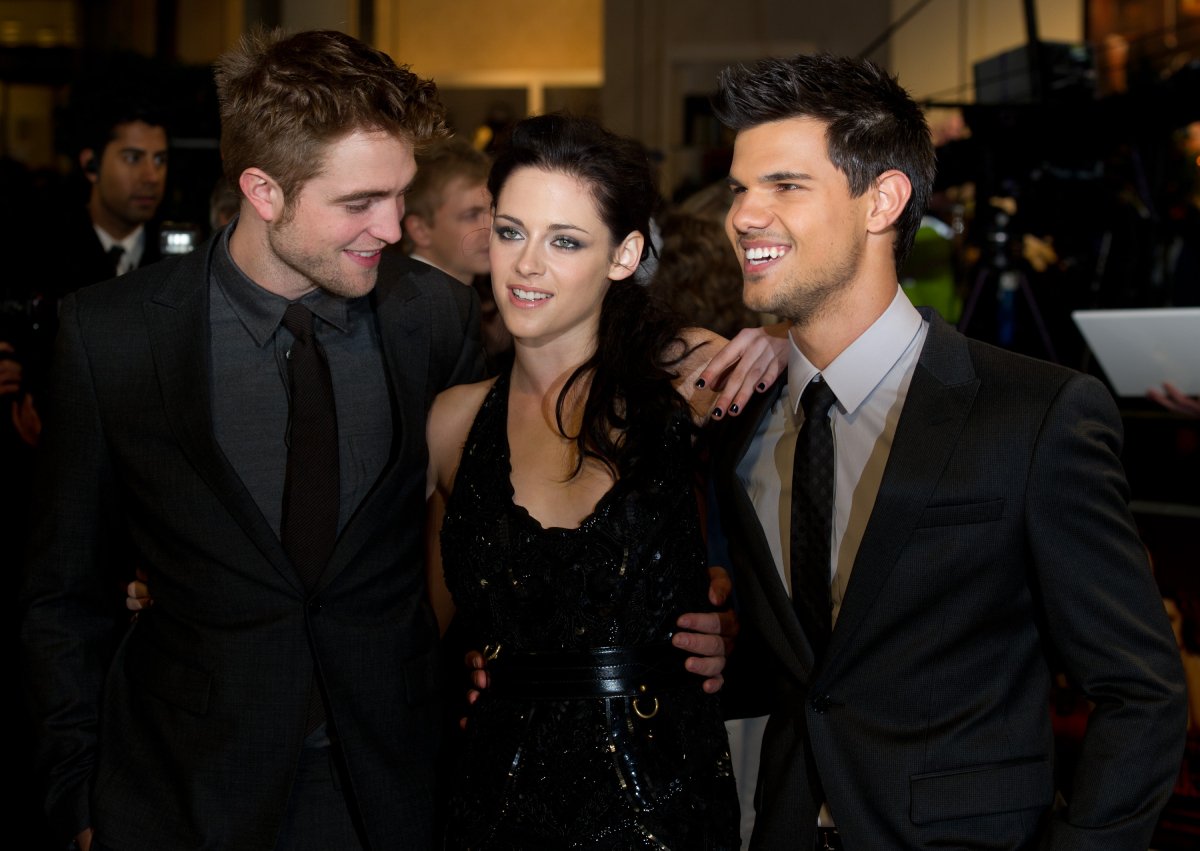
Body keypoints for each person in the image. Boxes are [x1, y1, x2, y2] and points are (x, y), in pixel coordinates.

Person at [699, 53, 1187, 850]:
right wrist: (725, 647)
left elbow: (1143, 692)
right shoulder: (744, 423)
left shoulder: (1036, 415)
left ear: (882, 201)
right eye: (739, 190)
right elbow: (827, 671)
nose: (744, 215)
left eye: (785, 186)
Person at [20, 28, 482, 851]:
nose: (393, 227)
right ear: (263, 191)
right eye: (358, 203)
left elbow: (483, 524)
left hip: (385, 784)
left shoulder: (433, 316)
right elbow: (63, 590)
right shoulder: (114, 336)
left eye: (399, 194)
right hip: (179, 788)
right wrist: (75, 793)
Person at [425, 113, 785, 848]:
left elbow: (822, 547)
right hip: (492, 804)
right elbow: (414, 637)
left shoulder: (692, 374)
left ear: (624, 255)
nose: (527, 265)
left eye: (565, 241)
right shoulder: (454, 423)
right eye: (510, 231)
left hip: (664, 802)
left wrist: (784, 343)